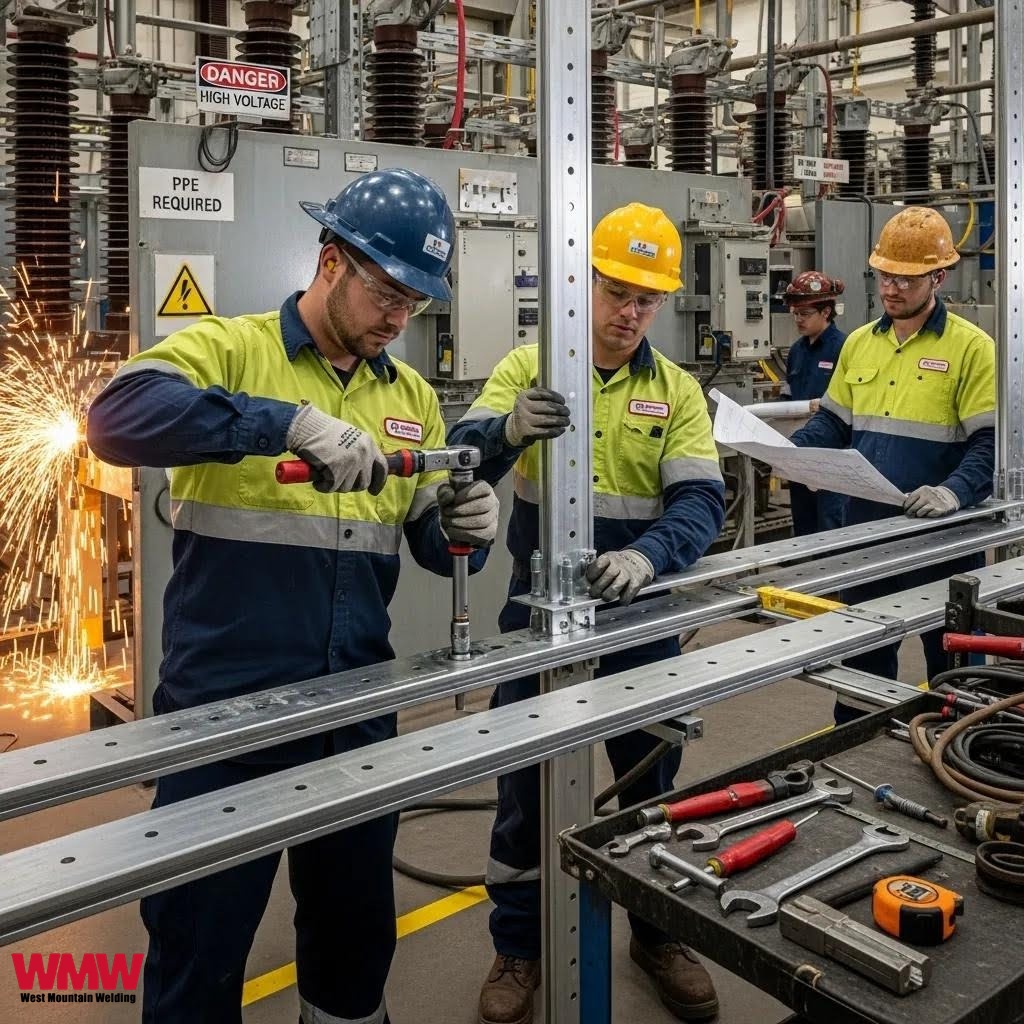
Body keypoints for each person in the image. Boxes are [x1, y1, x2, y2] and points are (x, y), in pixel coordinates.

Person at [86, 167, 500, 1024]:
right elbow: (116, 417)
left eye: (414, 304)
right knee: (198, 950)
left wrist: (466, 524)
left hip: (355, 709)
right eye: (386, 291)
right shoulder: (231, 348)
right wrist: (280, 424)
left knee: (353, 950)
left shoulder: (411, 396)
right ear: (330, 262)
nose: (397, 317)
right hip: (223, 721)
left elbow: (429, 545)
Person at [449, 203, 727, 1024]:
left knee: (651, 787)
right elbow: (465, 452)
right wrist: (504, 429)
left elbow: (702, 501)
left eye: (648, 298)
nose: (630, 312)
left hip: (640, 623)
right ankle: (521, 947)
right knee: (526, 795)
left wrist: (648, 557)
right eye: (617, 291)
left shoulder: (675, 389)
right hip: (537, 621)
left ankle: (656, 931)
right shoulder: (532, 364)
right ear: (585, 283)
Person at [791, 207, 995, 723]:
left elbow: (990, 445)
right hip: (869, 536)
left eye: (906, 279)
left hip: (943, 541)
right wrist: (797, 453)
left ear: (938, 277)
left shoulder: (972, 349)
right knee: (861, 675)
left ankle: (957, 754)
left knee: (955, 676)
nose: (892, 288)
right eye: (885, 275)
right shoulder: (860, 344)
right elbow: (835, 423)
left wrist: (953, 492)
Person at [779, 271, 848, 535]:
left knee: (831, 528)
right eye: (795, 313)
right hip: (800, 452)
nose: (798, 319)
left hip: (831, 458)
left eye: (805, 314)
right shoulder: (797, 351)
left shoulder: (845, 348)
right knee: (803, 528)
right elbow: (787, 396)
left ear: (826, 312)